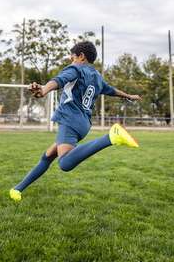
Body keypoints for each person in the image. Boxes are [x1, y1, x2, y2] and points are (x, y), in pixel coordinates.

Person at [9, 41, 142, 202]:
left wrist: (43, 90)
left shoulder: (76, 69)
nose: (71, 60)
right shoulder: (97, 77)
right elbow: (112, 91)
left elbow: (59, 80)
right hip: (83, 124)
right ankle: (18, 189)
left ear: (81, 56)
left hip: (70, 119)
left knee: (64, 163)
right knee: (48, 156)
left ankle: (111, 137)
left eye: (72, 57)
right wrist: (129, 96)